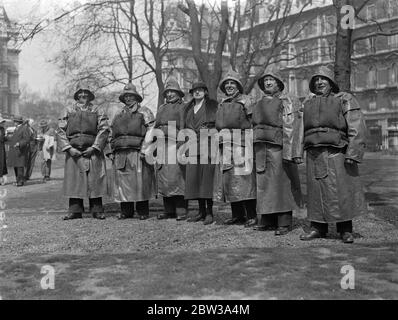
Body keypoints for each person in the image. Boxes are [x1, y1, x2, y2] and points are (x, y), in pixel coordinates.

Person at [299, 66, 367, 244]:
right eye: (316, 80)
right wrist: (296, 152)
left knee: (340, 190)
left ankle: (345, 229)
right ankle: (317, 228)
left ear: (331, 83)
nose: (319, 82)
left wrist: (353, 152)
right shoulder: (307, 103)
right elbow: (299, 129)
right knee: (315, 192)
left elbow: (356, 125)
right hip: (313, 152)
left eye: (323, 79)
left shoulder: (344, 99)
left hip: (336, 150)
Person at [252, 69, 303, 235]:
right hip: (261, 146)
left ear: (278, 83)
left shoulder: (287, 101)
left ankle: (283, 221)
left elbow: (291, 127)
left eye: (271, 80)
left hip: (279, 147)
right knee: (264, 184)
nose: (267, 83)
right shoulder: (258, 103)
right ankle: (267, 219)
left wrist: (289, 152)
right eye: (265, 80)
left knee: (281, 185)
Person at [57, 84, 110, 220]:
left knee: (95, 180)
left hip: (92, 150)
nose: (83, 95)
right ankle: (75, 210)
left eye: (86, 93)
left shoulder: (98, 110)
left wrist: (95, 147)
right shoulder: (68, 110)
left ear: (90, 95)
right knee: (74, 181)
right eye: (80, 93)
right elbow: (60, 131)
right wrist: (69, 148)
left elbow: (103, 129)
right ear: (76, 95)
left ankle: (97, 209)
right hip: (74, 151)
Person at [214, 69, 257, 226]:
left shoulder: (247, 101)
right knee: (229, 179)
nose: (229, 86)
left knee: (244, 179)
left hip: (242, 143)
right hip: (225, 144)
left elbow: (254, 122)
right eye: (227, 84)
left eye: (232, 83)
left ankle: (251, 214)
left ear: (238, 86)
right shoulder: (222, 103)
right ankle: (237, 214)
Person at [107, 83, 156, 220]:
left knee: (140, 181)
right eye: (126, 96)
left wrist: (145, 149)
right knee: (123, 182)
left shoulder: (144, 112)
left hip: (138, 151)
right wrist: (111, 150)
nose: (128, 98)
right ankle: (126, 211)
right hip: (120, 152)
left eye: (131, 96)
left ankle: (142, 211)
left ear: (136, 97)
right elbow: (110, 132)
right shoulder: (117, 114)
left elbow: (151, 131)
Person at [182, 82, 218, 225]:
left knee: (206, 180)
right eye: (195, 90)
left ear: (205, 91)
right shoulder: (188, 108)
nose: (197, 92)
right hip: (192, 146)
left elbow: (218, 124)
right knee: (195, 180)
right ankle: (201, 211)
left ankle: (209, 212)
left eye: (200, 90)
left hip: (207, 145)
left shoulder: (212, 106)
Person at [154, 76, 188, 221]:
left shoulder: (184, 106)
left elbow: (185, 126)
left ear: (178, 93)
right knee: (164, 178)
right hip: (162, 145)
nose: (169, 94)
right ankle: (168, 210)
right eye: (167, 92)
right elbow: (156, 126)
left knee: (178, 178)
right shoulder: (161, 108)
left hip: (177, 144)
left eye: (172, 91)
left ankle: (181, 210)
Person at [7, 115, 31, 187]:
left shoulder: (24, 128)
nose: (14, 122)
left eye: (15, 121)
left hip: (21, 150)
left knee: (20, 166)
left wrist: (19, 143)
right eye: (14, 121)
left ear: (18, 121)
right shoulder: (17, 128)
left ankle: (20, 181)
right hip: (15, 150)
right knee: (16, 166)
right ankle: (18, 180)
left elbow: (27, 139)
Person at [0, 116, 8, 185]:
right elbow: (2, 138)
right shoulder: (2, 129)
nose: (2, 123)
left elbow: (3, 138)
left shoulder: (2, 129)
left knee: (2, 163)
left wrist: (7, 138)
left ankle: (1, 179)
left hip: (1, 148)